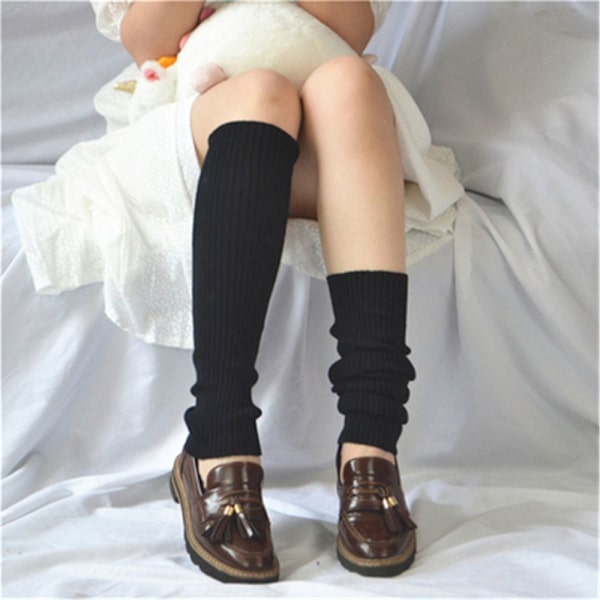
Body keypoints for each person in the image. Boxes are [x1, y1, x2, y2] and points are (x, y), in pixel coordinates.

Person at [12, 0, 463, 584]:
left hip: (330, 141)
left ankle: (372, 441)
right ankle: (218, 437)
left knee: (350, 79)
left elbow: (350, 28)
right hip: (207, 120)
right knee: (261, 92)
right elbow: (147, 41)